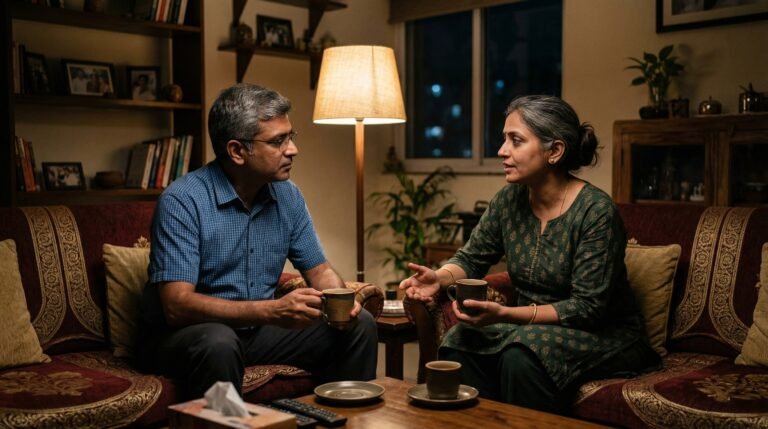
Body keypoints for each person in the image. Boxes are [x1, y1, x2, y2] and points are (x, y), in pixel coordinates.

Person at [400, 95, 660, 415]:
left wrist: (505, 314)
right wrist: (436, 278)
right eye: (504, 139)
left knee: (521, 355)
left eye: (516, 140)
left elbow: (587, 309)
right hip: (530, 331)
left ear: (555, 151)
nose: (502, 151)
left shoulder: (596, 212)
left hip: (604, 334)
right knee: (460, 340)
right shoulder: (510, 200)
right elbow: (471, 257)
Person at [137, 84, 378, 400]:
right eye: (278, 141)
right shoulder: (183, 201)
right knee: (219, 342)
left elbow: (319, 271)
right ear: (237, 151)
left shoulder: (287, 196)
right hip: (186, 336)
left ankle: (338, 421)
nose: (292, 149)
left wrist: (343, 303)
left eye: (291, 136)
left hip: (257, 333)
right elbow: (177, 306)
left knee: (362, 325)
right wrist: (272, 311)